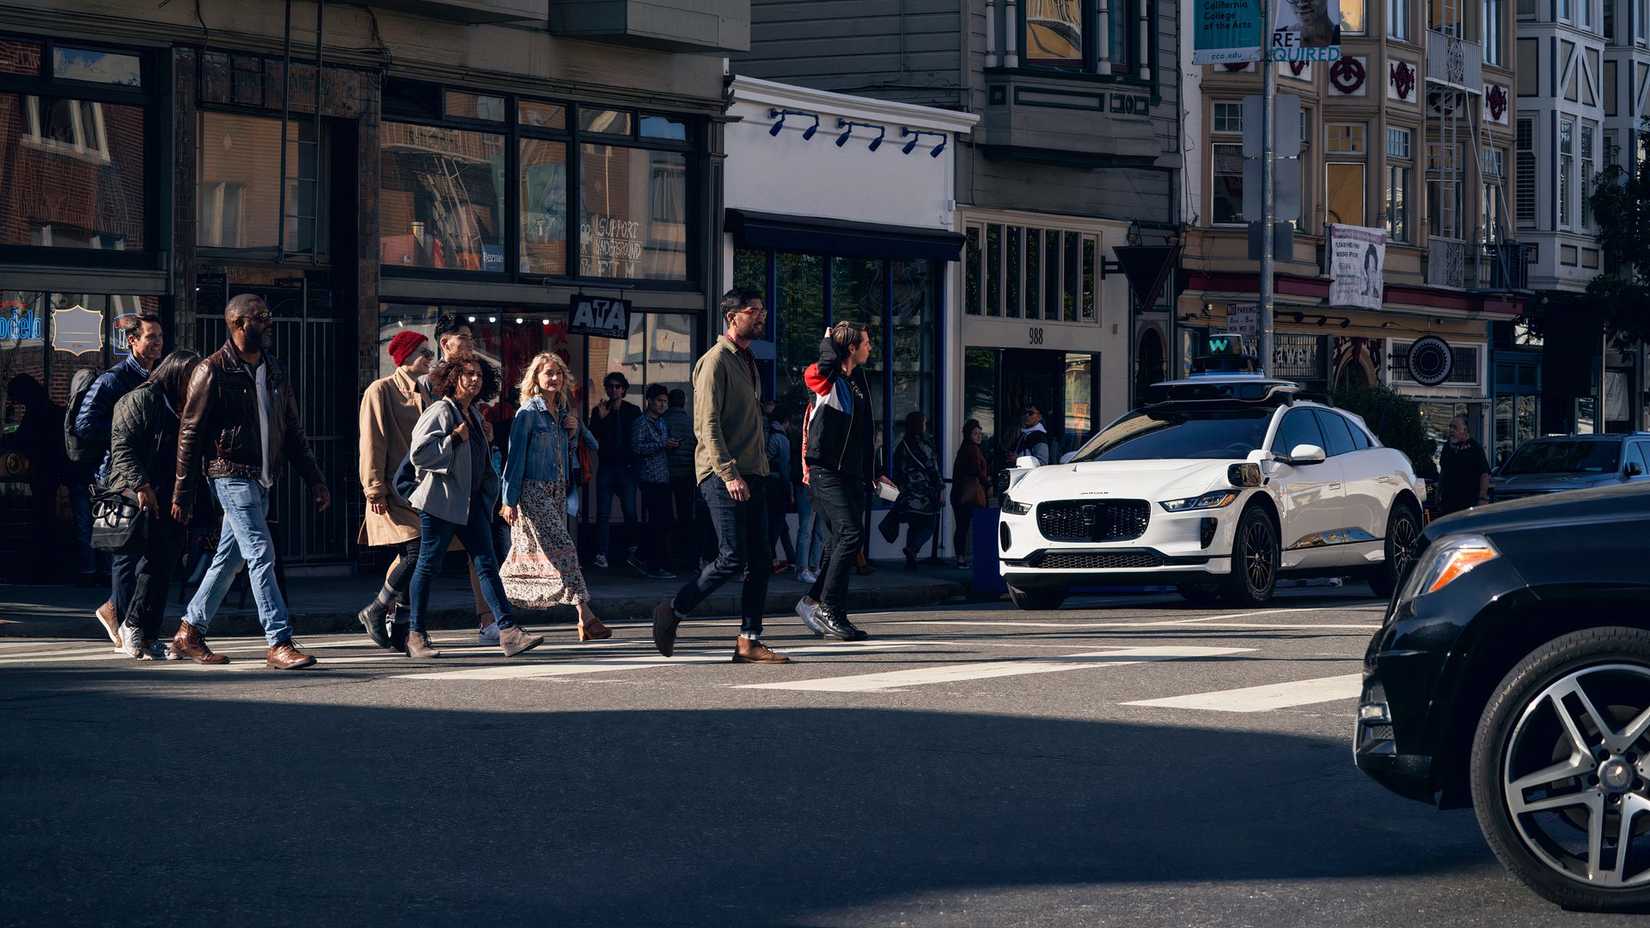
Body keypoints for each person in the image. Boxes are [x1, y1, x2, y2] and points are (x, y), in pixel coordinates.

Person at [171, 294, 331, 669]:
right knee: (261, 552)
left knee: (230, 560)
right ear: (238, 324)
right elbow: (189, 433)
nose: (268, 323)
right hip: (229, 474)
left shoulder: (273, 368)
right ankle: (278, 641)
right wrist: (182, 490)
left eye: (267, 315)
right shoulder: (212, 370)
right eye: (261, 317)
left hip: (262, 478)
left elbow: (292, 430)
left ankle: (188, 632)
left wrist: (315, 480)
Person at [650, 289, 789, 664]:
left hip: (753, 473)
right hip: (722, 474)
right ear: (732, 317)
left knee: (761, 559)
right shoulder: (715, 361)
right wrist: (728, 473)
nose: (761, 316)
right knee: (732, 557)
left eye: (762, 310)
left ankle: (749, 640)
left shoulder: (747, 360)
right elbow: (706, 424)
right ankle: (672, 610)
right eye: (753, 311)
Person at [405, 355, 543, 659]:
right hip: (441, 504)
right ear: (453, 378)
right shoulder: (441, 410)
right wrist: (454, 439)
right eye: (468, 374)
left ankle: (508, 632)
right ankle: (415, 635)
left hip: (472, 502)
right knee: (428, 565)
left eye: (479, 375)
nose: (474, 380)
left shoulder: (474, 414)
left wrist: (484, 441)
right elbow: (419, 454)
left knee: (486, 563)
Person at [498, 352, 610, 639]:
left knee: (550, 553)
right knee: (565, 548)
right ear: (536, 378)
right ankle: (587, 615)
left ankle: (496, 606)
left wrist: (573, 432)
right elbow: (515, 459)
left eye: (558, 373)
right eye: (548, 373)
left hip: (558, 489)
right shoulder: (527, 414)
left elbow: (593, 445)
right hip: (533, 490)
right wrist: (509, 500)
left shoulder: (562, 413)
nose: (554, 378)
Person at [75, 310, 165, 643]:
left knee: (145, 551)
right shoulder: (113, 380)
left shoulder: (155, 376)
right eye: (150, 337)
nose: (157, 343)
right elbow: (84, 425)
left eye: (159, 337)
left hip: (147, 473)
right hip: (117, 476)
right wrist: (124, 434)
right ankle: (123, 618)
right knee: (125, 550)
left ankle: (118, 611)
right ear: (132, 341)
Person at [106, 350, 201, 660]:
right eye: (191, 376)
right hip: (141, 493)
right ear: (176, 374)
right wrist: (141, 485)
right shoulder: (143, 398)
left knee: (164, 565)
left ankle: (148, 633)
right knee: (147, 563)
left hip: (170, 493)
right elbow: (122, 446)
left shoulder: (183, 405)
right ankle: (131, 626)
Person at [794, 321, 878, 642]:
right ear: (851, 348)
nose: (870, 347)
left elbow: (864, 433)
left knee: (836, 542)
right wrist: (829, 345)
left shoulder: (856, 380)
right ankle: (831, 609)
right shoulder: (827, 380)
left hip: (850, 473)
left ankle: (813, 601)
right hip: (824, 470)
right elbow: (813, 374)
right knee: (850, 533)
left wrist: (874, 470)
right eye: (866, 342)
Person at [422, 314, 502, 643]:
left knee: (482, 556)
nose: (470, 343)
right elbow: (424, 440)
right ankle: (400, 618)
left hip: (469, 486)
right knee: (421, 560)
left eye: (471, 337)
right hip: (435, 486)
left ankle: (498, 623)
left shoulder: (472, 377)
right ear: (445, 343)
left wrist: (484, 435)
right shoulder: (431, 384)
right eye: (464, 337)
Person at [354, 330, 434, 650]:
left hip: (421, 490)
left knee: (413, 555)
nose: (430, 357)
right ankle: (377, 608)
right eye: (423, 352)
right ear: (405, 357)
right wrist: (374, 489)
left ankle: (401, 627)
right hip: (392, 489)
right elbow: (372, 440)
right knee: (417, 552)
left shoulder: (426, 392)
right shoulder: (381, 390)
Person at [589, 370, 642, 569]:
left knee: (630, 511)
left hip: (626, 468)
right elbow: (592, 439)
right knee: (603, 512)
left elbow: (637, 439)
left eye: (617, 386)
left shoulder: (633, 410)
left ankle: (633, 550)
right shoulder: (600, 410)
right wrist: (601, 418)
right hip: (607, 467)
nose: (614, 390)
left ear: (624, 389)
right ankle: (602, 553)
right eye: (610, 386)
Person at [629, 383, 678, 580]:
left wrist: (671, 445)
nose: (662, 405)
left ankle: (644, 556)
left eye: (665, 401)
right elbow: (636, 447)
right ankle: (651, 563)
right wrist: (661, 444)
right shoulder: (641, 422)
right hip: (649, 478)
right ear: (649, 401)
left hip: (663, 476)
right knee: (657, 522)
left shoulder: (662, 422)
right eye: (659, 401)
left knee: (664, 522)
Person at [891, 410, 943, 569]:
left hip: (907, 493)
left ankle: (910, 560)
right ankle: (912, 549)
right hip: (923, 493)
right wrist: (940, 488)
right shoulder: (924, 445)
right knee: (930, 525)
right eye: (925, 423)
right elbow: (932, 469)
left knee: (914, 525)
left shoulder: (902, 444)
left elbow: (897, 470)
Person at [662, 387, 700, 572]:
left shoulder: (664, 421)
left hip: (668, 473)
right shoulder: (690, 422)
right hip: (687, 474)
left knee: (667, 516)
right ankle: (689, 559)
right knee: (686, 516)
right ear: (684, 402)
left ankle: (670, 558)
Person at [950, 419, 990, 568]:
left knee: (961, 526)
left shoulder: (965, 448)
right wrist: (987, 483)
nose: (979, 436)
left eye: (980, 433)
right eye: (975, 434)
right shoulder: (972, 449)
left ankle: (960, 558)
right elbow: (976, 470)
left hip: (959, 493)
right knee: (967, 527)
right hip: (968, 495)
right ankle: (966, 558)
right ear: (968, 435)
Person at [790, 407, 824, 584]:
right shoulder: (804, 437)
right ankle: (803, 568)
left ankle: (812, 566)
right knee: (808, 528)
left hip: (815, 481)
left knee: (816, 528)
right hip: (808, 482)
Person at [1436, 414, 1491, 517]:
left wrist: (1482, 497)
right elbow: (1443, 472)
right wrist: (1438, 494)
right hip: (1448, 503)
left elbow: (1485, 474)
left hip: (1468, 502)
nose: (1451, 430)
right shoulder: (1447, 448)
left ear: (1465, 430)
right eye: (1450, 427)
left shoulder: (1474, 448)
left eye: (1455, 427)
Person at [765, 403, 797, 573]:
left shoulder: (766, 432)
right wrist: (788, 491)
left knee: (779, 524)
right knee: (776, 524)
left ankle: (791, 558)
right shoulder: (781, 439)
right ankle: (771, 560)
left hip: (763, 483)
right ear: (786, 421)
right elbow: (784, 469)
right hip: (776, 485)